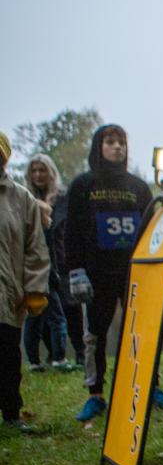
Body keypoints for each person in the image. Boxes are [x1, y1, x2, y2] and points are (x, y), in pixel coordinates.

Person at [65, 125, 163, 421]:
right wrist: (75, 271)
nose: (117, 147)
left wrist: (157, 268)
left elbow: (154, 231)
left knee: (141, 330)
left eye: (122, 142)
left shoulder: (139, 188)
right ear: (98, 146)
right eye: (110, 142)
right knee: (96, 334)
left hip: (134, 273)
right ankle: (95, 395)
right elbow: (71, 231)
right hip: (95, 274)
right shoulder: (82, 186)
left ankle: (150, 387)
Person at [0, 132, 51, 432]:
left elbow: (35, 247)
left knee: (7, 352)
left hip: (9, 293)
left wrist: (34, 288)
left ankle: (11, 412)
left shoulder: (21, 198)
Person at [22, 155, 71, 371]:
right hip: (42, 273)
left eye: (42, 170)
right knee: (55, 318)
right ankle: (58, 359)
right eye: (34, 171)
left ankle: (34, 362)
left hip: (50, 269)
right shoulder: (22, 199)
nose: (38, 175)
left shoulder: (63, 198)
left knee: (35, 318)